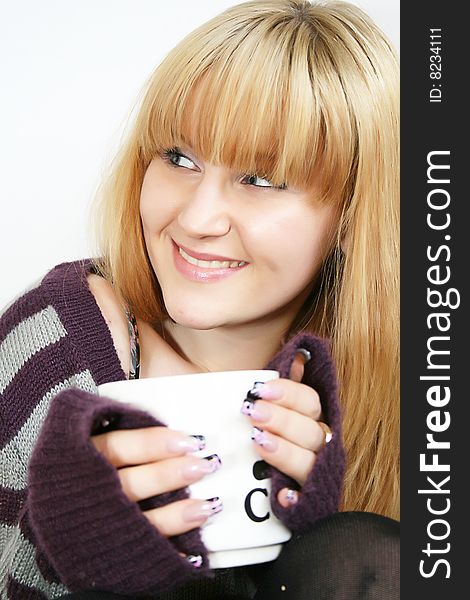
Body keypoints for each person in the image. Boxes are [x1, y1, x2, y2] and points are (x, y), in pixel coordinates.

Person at [0, 0, 399, 598]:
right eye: (179, 158)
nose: (196, 217)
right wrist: (73, 538)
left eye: (261, 179)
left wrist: (306, 532)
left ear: (350, 216)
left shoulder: (396, 370)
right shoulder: (57, 343)